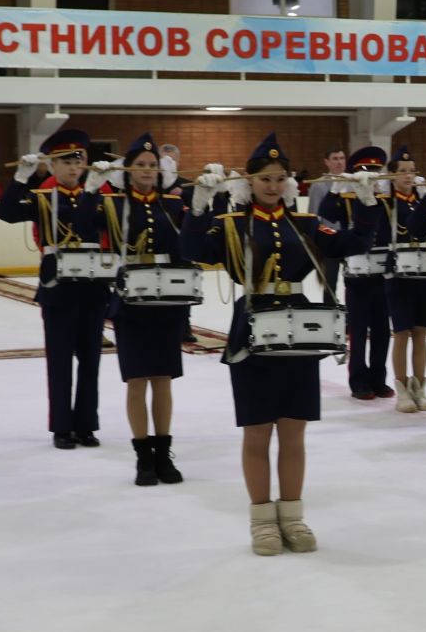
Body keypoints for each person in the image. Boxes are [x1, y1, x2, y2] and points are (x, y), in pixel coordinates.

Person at [183, 134, 373, 555]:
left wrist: (365, 203)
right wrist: (198, 207)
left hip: (298, 329)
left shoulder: (305, 224)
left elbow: (355, 244)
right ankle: (261, 521)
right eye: (265, 178)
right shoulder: (232, 224)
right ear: (250, 181)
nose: (273, 185)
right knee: (256, 431)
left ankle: (293, 515)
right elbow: (193, 249)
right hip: (251, 326)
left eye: (280, 178)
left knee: (293, 431)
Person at [0, 127, 112, 450]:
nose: (73, 168)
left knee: (91, 360)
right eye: (65, 162)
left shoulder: (99, 196)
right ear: (51, 165)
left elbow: (109, 224)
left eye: (79, 161)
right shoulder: (44, 197)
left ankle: (86, 425)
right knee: (60, 361)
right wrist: (21, 178)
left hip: (92, 287)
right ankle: (62, 426)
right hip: (58, 288)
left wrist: (99, 190)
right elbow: (5, 213)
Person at [102, 133, 189, 487]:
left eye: (152, 166)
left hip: (166, 300)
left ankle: (163, 452)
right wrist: (96, 190)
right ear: (128, 169)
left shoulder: (171, 204)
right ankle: (142, 456)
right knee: (137, 380)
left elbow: (192, 237)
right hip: (132, 303)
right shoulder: (115, 204)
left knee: (164, 379)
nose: (147, 171)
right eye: (140, 165)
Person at [317, 146, 392, 401]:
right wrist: (337, 189)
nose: (371, 176)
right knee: (358, 331)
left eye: (375, 171)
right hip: (358, 274)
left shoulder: (386, 201)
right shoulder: (348, 200)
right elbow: (326, 212)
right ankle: (358, 380)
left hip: (384, 273)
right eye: (366, 171)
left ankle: (378, 379)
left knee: (382, 331)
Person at [379, 145, 426, 414]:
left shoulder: (420, 200)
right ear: (392, 176)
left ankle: (420, 387)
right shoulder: (386, 203)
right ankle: (402, 388)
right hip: (398, 275)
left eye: (411, 171)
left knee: (421, 332)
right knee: (401, 332)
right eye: (402, 171)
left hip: (423, 272)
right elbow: (409, 228)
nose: (408, 176)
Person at [306, 147, 347, 213]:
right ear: (326, 162)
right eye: (335, 159)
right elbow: (313, 214)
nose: (339, 162)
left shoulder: (353, 182)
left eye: (342, 158)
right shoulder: (318, 185)